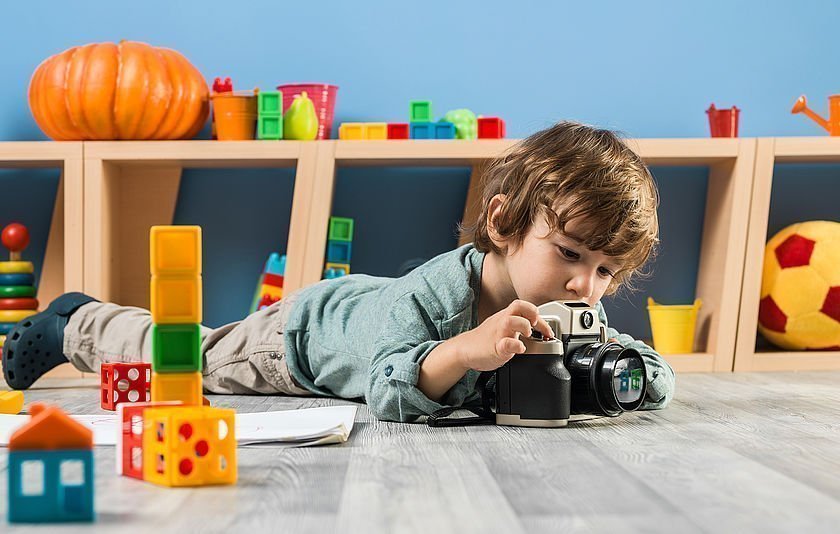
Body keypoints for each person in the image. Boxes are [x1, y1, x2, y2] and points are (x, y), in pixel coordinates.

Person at [2, 121, 674, 423]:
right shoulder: (434, 299)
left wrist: (629, 376)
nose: (587, 286)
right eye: (570, 254)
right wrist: (463, 351)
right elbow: (388, 391)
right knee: (190, 357)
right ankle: (76, 324)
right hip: (302, 338)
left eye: (608, 270)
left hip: (362, 310)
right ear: (502, 223)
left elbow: (643, 369)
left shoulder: (572, 305)